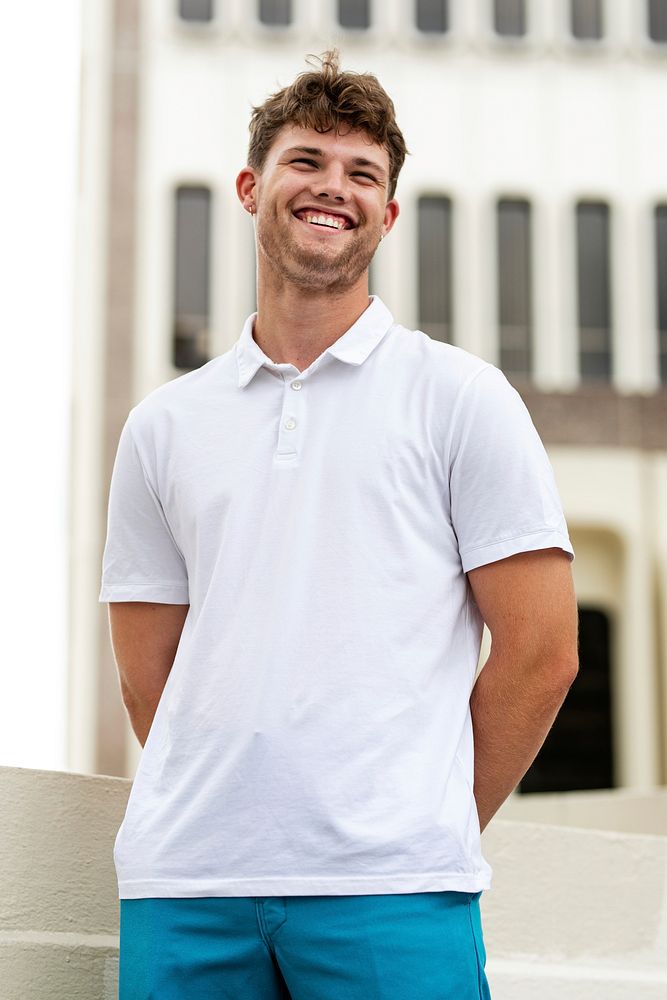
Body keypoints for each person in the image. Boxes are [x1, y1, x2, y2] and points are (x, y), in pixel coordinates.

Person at [100, 49, 578, 1000]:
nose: (334, 188)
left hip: (393, 893)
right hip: (184, 888)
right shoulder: (164, 425)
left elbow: (542, 650)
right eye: (307, 161)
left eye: (363, 174)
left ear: (389, 214)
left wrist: (421, 818)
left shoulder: (460, 398)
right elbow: (147, 672)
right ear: (250, 186)